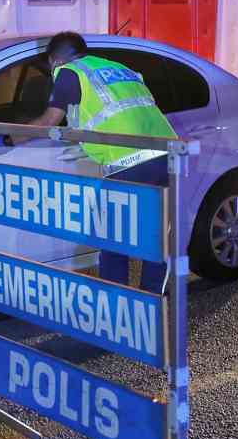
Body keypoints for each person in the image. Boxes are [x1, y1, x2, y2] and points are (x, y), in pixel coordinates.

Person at [27, 32, 178, 293]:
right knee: (153, 240)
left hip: (129, 163)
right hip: (168, 158)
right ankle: (152, 304)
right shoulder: (118, 68)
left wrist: (9, 136)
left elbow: (49, 121)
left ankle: (116, 306)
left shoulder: (70, 72)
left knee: (113, 242)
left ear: (54, 60)